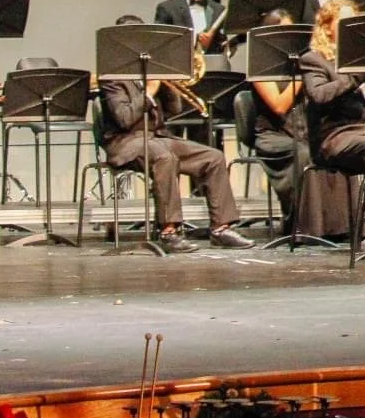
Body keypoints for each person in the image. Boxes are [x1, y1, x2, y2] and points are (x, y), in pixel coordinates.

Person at [98, 15, 253, 251]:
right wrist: (148, 92)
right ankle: (169, 232)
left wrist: (167, 82)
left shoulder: (150, 70)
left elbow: (175, 110)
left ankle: (221, 228)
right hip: (127, 142)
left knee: (213, 156)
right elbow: (124, 119)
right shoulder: (111, 79)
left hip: (158, 137)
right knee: (164, 157)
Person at [298, 0, 365, 242]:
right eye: (344, 21)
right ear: (328, 26)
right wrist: (356, 76)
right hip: (333, 136)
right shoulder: (313, 59)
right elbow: (319, 95)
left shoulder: (364, 57)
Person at [244, 8, 308, 229]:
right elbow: (280, 106)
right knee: (302, 153)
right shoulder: (260, 67)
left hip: (302, 130)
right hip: (272, 136)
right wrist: (301, 76)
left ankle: (332, 226)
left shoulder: (299, 60)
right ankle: (297, 223)